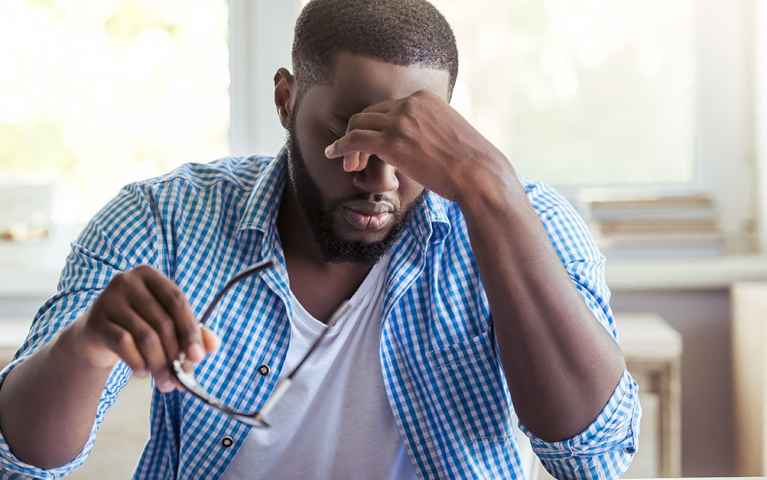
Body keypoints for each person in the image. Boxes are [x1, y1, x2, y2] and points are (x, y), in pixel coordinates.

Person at [0, 0, 640, 478]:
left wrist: (491, 190)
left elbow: (593, 456)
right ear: (286, 99)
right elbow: (19, 460)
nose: (380, 178)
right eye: (350, 132)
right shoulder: (162, 219)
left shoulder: (523, 220)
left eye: (409, 138)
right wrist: (84, 347)